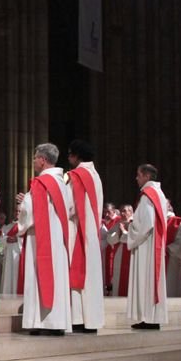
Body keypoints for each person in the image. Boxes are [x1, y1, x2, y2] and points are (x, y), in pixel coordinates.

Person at [16, 143, 72, 336]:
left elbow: (29, 213)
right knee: (57, 277)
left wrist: (23, 203)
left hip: (41, 238)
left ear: (42, 160)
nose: (33, 161)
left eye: (34, 158)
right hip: (58, 239)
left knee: (39, 276)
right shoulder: (62, 184)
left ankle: (42, 322)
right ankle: (56, 323)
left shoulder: (41, 183)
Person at [65, 140, 105, 332]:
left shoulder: (77, 175)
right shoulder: (95, 175)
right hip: (92, 230)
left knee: (79, 273)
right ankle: (92, 320)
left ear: (76, 156)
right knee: (91, 276)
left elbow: (70, 205)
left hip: (78, 229)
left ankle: (79, 319)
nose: (68, 158)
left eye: (70, 154)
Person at [124, 164, 168, 329]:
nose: (136, 178)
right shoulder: (159, 193)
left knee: (146, 279)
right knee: (150, 281)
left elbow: (147, 223)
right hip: (152, 242)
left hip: (146, 244)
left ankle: (148, 318)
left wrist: (131, 229)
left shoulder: (148, 195)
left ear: (147, 176)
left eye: (138, 175)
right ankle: (151, 317)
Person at [106, 205, 133, 297]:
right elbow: (109, 239)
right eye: (121, 211)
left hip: (131, 254)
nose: (122, 213)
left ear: (131, 212)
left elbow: (135, 238)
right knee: (118, 277)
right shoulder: (118, 224)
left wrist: (123, 232)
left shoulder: (135, 223)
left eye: (125, 211)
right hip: (119, 254)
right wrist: (119, 233)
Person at [0, 212, 21, 296]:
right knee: (7, 278)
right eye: (16, 211)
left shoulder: (24, 226)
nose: (18, 213)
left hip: (18, 256)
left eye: (19, 211)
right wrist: (6, 240)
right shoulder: (7, 228)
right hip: (8, 257)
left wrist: (18, 240)